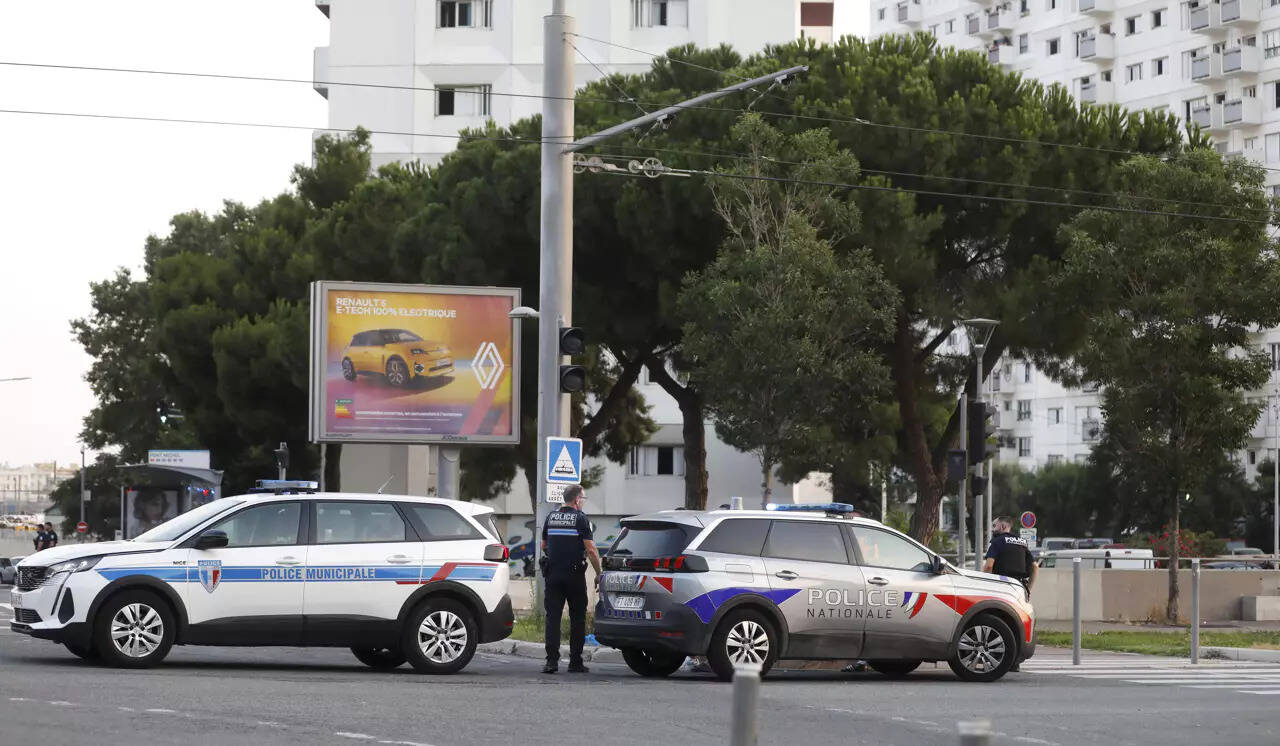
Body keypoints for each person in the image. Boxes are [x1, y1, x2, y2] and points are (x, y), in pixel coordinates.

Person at [540, 485, 601, 674]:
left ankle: (551, 662)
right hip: (574, 575)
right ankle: (575, 662)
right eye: (583, 498)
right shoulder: (581, 519)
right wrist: (599, 573)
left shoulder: (551, 517)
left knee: (553, 618)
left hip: (553, 575)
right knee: (577, 619)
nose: (583, 501)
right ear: (576, 500)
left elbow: (543, 545)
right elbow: (590, 550)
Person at [983, 515, 1036, 672]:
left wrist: (984, 584)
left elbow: (988, 566)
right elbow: (1035, 567)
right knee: (1016, 622)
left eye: (995, 525)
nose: (993, 529)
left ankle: (997, 659)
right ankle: (1015, 662)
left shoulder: (998, 541)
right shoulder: (1022, 542)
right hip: (1018, 587)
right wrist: (1028, 589)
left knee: (996, 622)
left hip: (1001, 585)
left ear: (1003, 526)